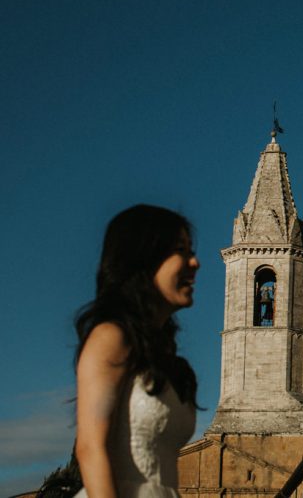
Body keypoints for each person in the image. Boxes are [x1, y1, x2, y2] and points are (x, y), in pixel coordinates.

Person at [73, 204, 200, 498]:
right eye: (181, 250)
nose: (195, 263)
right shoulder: (110, 337)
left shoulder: (166, 355)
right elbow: (90, 447)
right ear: (144, 259)